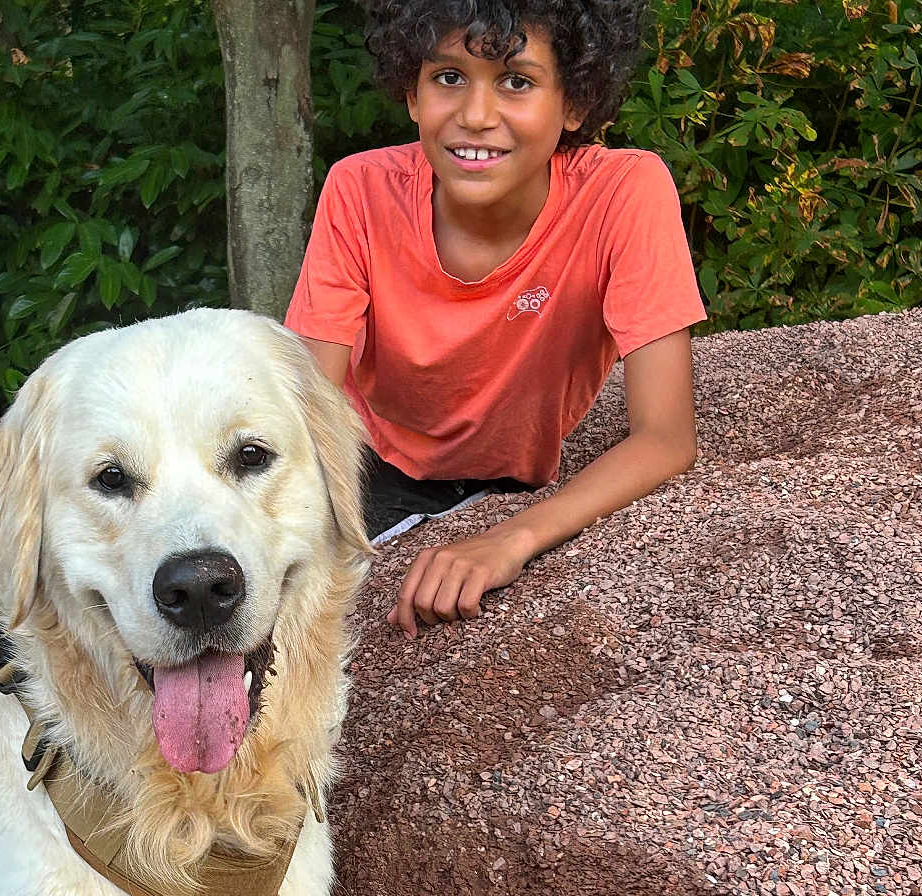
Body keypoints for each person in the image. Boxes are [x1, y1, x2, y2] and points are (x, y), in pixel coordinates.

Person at [285, 0, 705, 637]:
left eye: (517, 80)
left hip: (516, 483)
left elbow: (666, 437)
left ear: (574, 104)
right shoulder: (360, 190)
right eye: (448, 77)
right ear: (412, 95)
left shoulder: (625, 194)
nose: (476, 117)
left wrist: (510, 540)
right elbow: (304, 409)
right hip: (367, 464)